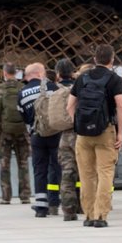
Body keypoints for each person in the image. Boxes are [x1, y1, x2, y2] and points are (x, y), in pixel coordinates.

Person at [68, 44, 122, 227]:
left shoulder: (82, 78)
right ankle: (100, 216)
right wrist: (120, 133)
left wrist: (77, 123)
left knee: (86, 175)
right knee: (105, 173)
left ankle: (88, 215)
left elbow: (70, 105)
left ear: (95, 59)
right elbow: (121, 106)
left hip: (83, 135)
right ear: (112, 59)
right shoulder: (114, 79)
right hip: (105, 131)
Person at [17, 63, 62, 217]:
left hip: (37, 135)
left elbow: (23, 117)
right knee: (58, 167)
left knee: (39, 170)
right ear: (39, 73)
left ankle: (41, 207)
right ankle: (64, 203)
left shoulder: (21, 93)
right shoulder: (51, 87)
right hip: (55, 133)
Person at [0, 63, 30, 205]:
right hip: (21, 130)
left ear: (4, 73)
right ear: (16, 73)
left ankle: (6, 197)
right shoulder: (23, 88)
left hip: (5, 132)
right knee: (23, 163)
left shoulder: (0, 89)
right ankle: (25, 196)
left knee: (4, 164)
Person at [55, 59, 82, 221]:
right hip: (81, 134)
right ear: (73, 72)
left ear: (58, 74)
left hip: (64, 136)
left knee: (67, 174)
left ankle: (68, 211)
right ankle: (84, 206)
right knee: (85, 173)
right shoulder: (80, 87)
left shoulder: (54, 90)